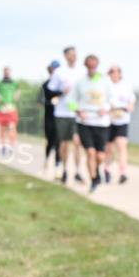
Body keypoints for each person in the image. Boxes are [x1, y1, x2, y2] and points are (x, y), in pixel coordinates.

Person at [73, 54, 113, 193]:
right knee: (90, 152)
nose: (91, 69)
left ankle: (96, 169)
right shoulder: (80, 82)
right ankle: (94, 179)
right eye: (89, 66)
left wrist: (106, 109)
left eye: (94, 66)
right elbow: (71, 101)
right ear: (86, 66)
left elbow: (112, 100)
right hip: (85, 122)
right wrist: (78, 111)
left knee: (100, 156)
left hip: (101, 123)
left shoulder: (105, 81)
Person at [47, 46, 86, 183]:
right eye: (71, 54)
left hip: (77, 113)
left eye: (75, 54)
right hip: (62, 112)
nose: (74, 56)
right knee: (64, 143)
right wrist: (62, 92)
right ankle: (64, 170)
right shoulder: (59, 72)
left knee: (77, 142)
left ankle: (78, 171)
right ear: (65, 56)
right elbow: (50, 91)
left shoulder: (82, 71)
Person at [104, 64, 135, 184]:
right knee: (109, 148)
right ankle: (107, 169)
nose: (114, 74)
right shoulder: (106, 86)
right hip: (109, 120)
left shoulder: (126, 86)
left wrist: (129, 107)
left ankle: (122, 172)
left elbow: (131, 101)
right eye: (111, 72)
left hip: (122, 120)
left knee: (121, 145)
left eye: (116, 71)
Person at [39, 62, 62, 176]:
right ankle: (47, 161)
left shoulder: (63, 85)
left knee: (59, 142)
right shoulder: (45, 85)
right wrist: (50, 103)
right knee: (50, 141)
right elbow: (40, 100)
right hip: (49, 117)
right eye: (52, 70)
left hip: (61, 117)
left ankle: (58, 166)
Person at [0, 67, 21, 157]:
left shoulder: (15, 83)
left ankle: (11, 146)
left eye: (8, 72)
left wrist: (14, 100)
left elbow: (18, 93)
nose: (7, 73)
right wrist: (1, 101)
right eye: (5, 72)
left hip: (11, 109)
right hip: (2, 109)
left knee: (11, 127)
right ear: (3, 73)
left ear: (10, 73)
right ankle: (3, 146)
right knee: (2, 129)